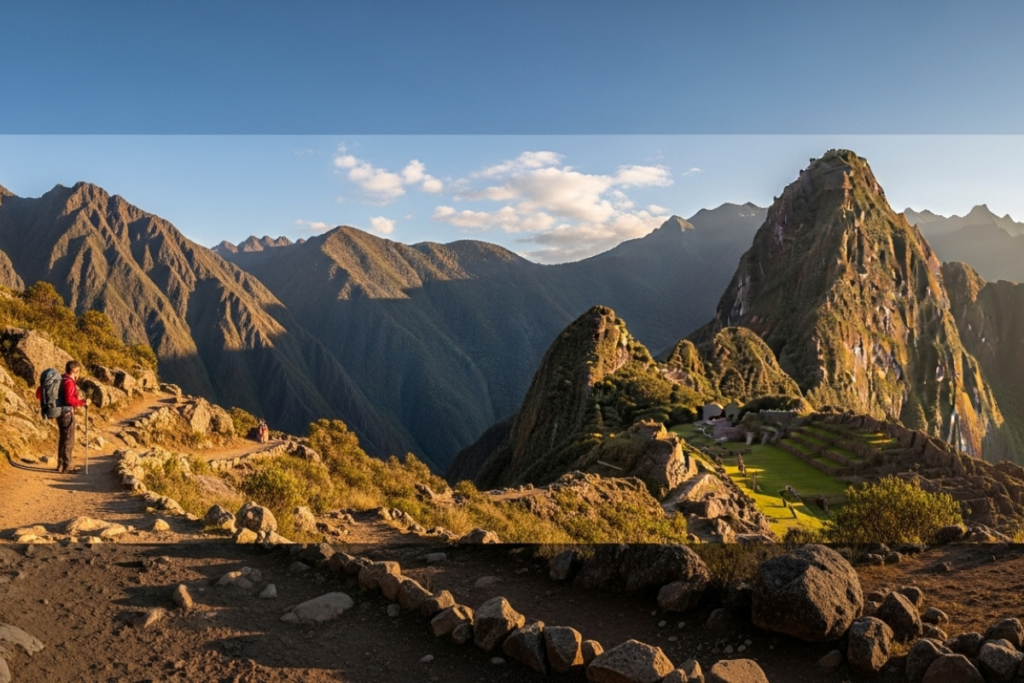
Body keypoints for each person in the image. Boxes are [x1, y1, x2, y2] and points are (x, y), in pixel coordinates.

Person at [36, 361, 88, 473]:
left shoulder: (62, 378)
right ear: (75, 371)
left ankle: (60, 464)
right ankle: (66, 466)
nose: (79, 375)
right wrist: (82, 402)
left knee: (63, 438)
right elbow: (69, 399)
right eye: (78, 372)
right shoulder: (69, 382)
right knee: (69, 440)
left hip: (59, 412)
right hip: (67, 413)